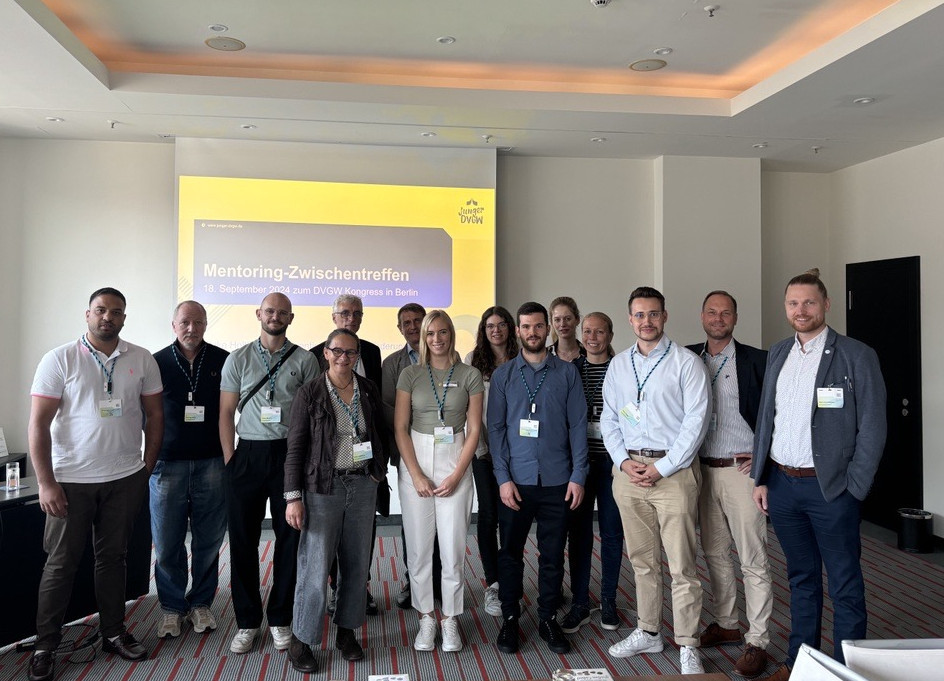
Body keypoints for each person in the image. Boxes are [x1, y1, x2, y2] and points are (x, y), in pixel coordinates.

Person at [751, 270, 886, 681]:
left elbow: (874, 426)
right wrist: (760, 477)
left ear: (826, 305)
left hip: (832, 490)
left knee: (844, 582)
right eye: (793, 303)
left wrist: (855, 487)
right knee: (801, 578)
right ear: (786, 308)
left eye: (809, 302)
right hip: (783, 485)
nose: (800, 310)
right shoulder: (777, 353)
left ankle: (846, 669)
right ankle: (800, 663)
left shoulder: (855, 355)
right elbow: (766, 419)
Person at [27, 287, 163, 681]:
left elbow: (155, 416)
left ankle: (113, 632)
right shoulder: (60, 359)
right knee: (60, 564)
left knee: (114, 559)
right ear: (87, 314)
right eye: (101, 310)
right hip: (70, 480)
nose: (108, 317)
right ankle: (45, 645)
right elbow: (37, 425)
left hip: (123, 478)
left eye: (116, 312)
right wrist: (46, 482)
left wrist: (146, 466)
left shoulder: (140, 358)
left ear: (124, 318)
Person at [601, 286, 710, 675]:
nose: (646, 321)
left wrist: (663, 468)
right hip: (629, 474)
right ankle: (648, 631)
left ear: (664, 317)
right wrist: (622, 462)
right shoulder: (618, 366)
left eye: (653, 314)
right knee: (643, 561)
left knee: (682, 564)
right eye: (639, 315)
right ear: (630, 320)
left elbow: (696, 424)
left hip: (674, 474)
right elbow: (610, 419)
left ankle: (687, 642)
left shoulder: (685, 363)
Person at [219, 293, 319, 655]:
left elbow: (310, 416)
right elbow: (226, 411)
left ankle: (280, 619)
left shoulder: (305, 360)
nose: (275, 316)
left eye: (282, 312)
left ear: (291, 318)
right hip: (246, 455)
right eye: (270, 311)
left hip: (288, 457)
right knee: (242, 540)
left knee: (290, 539)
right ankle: (247, 621)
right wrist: (231, 460)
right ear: (259, 314)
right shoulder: (238, 358)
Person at [283, 329, 388, 673]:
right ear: (325, 354)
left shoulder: (368, 389)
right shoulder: (310, 393)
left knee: (356, 563)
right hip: (321, 488)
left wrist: (377, 473)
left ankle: (346, 632)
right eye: (337, 351)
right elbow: (296, 448)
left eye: (351, 353)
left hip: (361, 485)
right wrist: (293, 497)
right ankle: (301, 639)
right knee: (314, 565)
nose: (344, 358)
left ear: (358, 355)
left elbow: (379, 433)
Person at [489, 301, 588, 656]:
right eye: (526, 327)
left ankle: (547, 617)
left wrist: (578, 476)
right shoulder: (503, 376)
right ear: (518, 331)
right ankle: (511, 617)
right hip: (516, 481)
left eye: (538, 326)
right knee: (510, 554)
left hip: (559, 481)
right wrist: (502, 478)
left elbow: (578, 427)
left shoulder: (567, 373)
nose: (532, 333)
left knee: (551, 555)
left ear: (547, 329)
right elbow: (496, 429)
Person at [687, 291, 773, 679]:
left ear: (735, 317)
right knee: (715, 553)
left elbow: (777, 412)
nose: (718, 318)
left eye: (725, 312)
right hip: (701, 471)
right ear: (701, 316)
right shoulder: (687, 358)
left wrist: (765, 453)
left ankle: (757, 640)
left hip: (742, 473)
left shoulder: (757, 359)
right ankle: (726, 623)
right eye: (712, 312)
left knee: (752, 557)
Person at [394, 310, 484, 653]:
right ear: (423, 337)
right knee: (418, 550)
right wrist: (415, 473)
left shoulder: (469, 374)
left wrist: (459, 473)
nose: (437, 339)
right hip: (416, 458)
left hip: (455, 458)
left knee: (452, 548)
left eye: (443, 332)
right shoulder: (410, 374)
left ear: (451, 335)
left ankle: (450, 619)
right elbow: (401, 427)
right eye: (431, 333)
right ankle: (426, 617)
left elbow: (474, 428)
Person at [151, 301, 229, 639]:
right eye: (185, 322)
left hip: (212, 461)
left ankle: (200, 602)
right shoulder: (156, 362)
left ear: (206, 325)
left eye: (198, 322)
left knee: (208, 539)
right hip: (167, 463)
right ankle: (171, 607)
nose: (191, 328)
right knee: (167, 541)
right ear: (173, 325)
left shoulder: (222, 359)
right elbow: (146, 414)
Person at [311, 293, 384, 615]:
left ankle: (359, 586)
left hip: (366, 464)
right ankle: (334, 587)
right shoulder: (315, 355)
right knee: (330, 533)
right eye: (344, 313)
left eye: (356, 313)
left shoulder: (371, 351)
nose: (350, 318)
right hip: (331, 464)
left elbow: (377, 408)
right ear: (333, 317)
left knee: (363, 530)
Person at [560, 311, 625, 634]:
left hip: (615, 465)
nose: (593, 337)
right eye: (588, 332)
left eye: (600, 332)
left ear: (610, 335)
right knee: (579, 534)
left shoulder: (623, 369)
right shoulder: (570, 371)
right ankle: (580, 602)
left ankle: (609, 600)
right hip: (580, 466)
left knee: (613, 533)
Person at [379, 303, 440, 610]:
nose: (413, 326)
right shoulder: (392, 363)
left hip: (444, 450)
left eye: (418, 321)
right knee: (414, 521)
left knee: (446, 516)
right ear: (399, 328)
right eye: (407, 322)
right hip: (409, 449)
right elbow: (389, 408)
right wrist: (423, 420)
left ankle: (439, 580)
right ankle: (413, 579)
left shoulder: (448, 357)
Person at [466, 305, 519, 617]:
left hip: (517, 452)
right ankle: (493, 584)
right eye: (489, 326)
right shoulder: (474, 362)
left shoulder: (521, 358)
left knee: (512, 515)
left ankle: (511, 578)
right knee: (488, 516)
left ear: (509, 328)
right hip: (484, 451)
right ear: (483, 332)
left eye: (501, 324)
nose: (496, 330)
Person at [548, 296, 586, 362]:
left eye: (568, 319)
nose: (562, 324)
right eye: (557, 320)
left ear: (577, 320)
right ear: (551, 322)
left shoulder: (588, 354)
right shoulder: (545, 356)